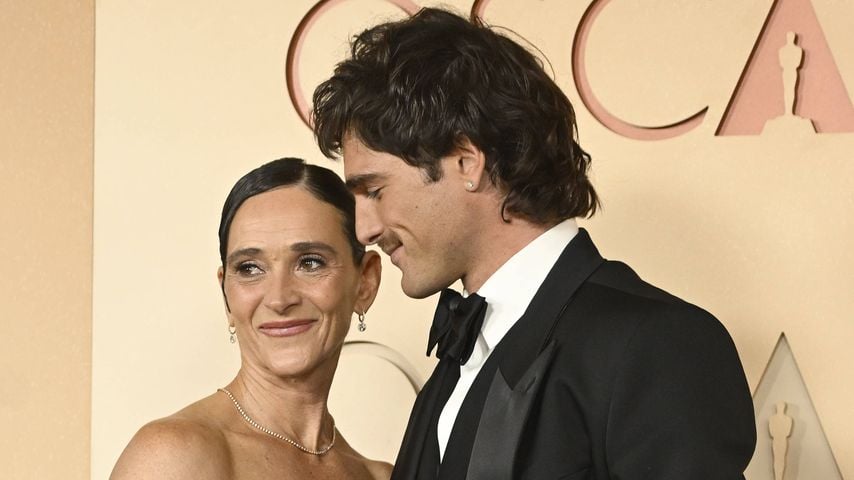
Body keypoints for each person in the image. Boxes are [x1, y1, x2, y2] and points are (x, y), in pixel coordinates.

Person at [312, 7, 756, 480]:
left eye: (375, 191)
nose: (364, 230)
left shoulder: (657, 346)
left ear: (467, 163)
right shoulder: (456, 361)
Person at [111, 158, 391, 479]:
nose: (279, 298)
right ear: (227, 296)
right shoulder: (173, 456)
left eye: (310, 263)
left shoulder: (379, 476)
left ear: (365, 282)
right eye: (249, 268)